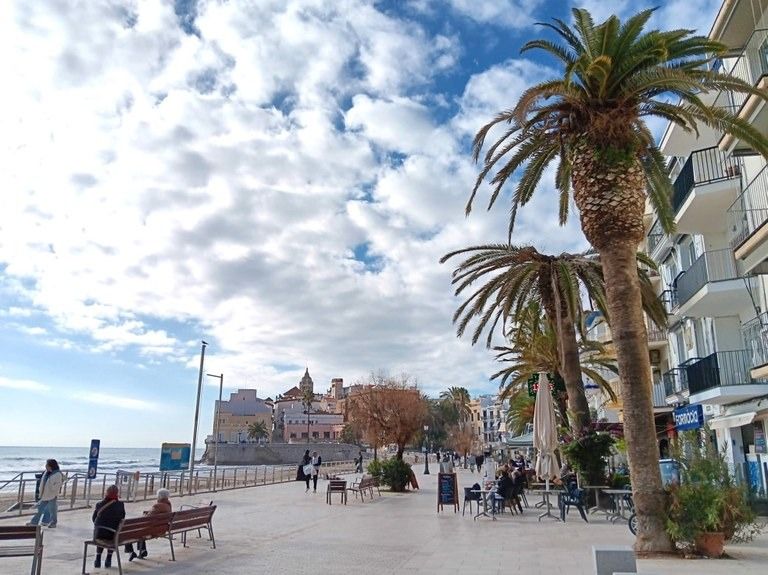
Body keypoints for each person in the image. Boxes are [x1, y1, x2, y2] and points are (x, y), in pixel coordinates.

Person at [125, 489, 172, 561]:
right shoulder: (168, 505)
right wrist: (149, 512)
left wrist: (145, 514)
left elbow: (147, 518)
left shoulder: (157, 506)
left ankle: (130, 551)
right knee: (140, 529)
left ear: (160, 496)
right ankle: (143, 550)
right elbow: (155, 514)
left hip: (154, 530)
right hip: (162, 528)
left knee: (129, 531)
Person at [91, 485, 126, 569]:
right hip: (114, 535)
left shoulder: (99, 504)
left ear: (106, 493)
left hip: (99, 534)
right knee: (113, 531)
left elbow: (94, 519)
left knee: (101, 529)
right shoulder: (120, 505)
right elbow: (122, 518)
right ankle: (108, 559)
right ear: (117, 494)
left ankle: (98, 558)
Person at [27, 459, 63, 528]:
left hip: (52, 495)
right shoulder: (47, 473)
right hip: (45, 494)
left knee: (53, 511)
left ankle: (53, 523)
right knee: (40, 509)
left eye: (47, 465)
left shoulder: (57, 474)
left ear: (51, 466)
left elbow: (57, 485)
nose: (46, 466)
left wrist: (52, 488)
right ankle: (34, 522)